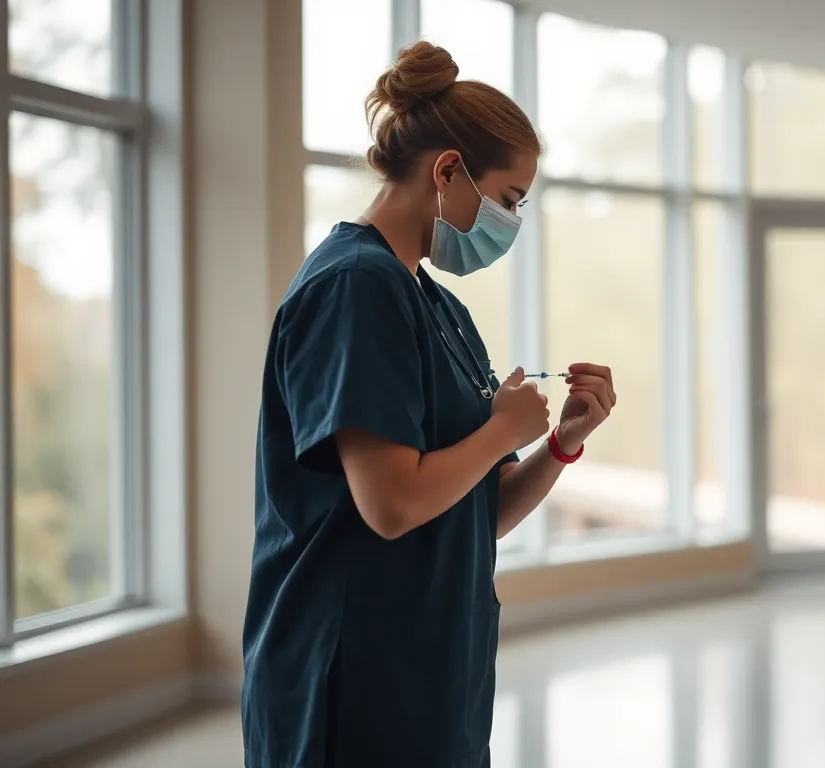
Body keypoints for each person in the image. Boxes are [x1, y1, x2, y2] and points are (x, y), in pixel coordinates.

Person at [241, 41, 617, 767]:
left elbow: (481, 510)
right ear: (447, 170)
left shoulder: (435, 305)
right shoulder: (354, 286)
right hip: (349, 679)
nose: (510, 222)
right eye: (508, 200)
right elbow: (391, 505)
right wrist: (502, 426)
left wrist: (560, 444)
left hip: (432, 671)